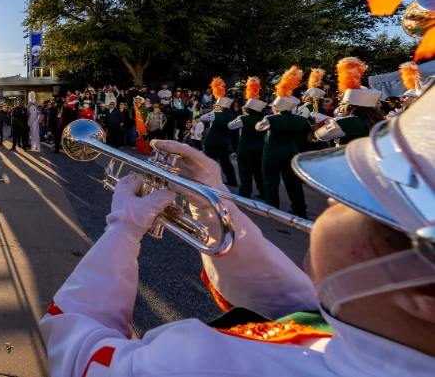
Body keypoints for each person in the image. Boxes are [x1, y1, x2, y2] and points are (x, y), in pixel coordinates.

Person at [40, 83, 435, 375]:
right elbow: (292, 306)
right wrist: (213, 205)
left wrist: (122, 229)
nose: (333, 202)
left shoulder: (207, 364)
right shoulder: (379, 329)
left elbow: (74, 347)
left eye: (357, 201)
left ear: (422, 296)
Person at [257, 67, 310, 218]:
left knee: (270, 180)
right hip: (291, 150)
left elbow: (258, 127)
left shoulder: (271, 119)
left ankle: (272, 207)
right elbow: (308, 131)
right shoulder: (301, 119)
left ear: (278, 107)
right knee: (293, 183)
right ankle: (300, 209)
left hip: (272, 151)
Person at [228, 77, 267, 199]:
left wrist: (241, 116)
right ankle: (263, 191)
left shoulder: (242, 118)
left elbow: (230, 125)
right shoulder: (265, 118)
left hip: (245, 146)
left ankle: (245, 191)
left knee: (245, 170)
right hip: (260, 146)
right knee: (259, 171)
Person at [198, 78, 238, 186]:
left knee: (211, 161)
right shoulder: (230, 115)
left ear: (219, 106)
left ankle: (212, 181)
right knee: (226, 162)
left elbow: (202, 118)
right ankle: (232, 180)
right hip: (224, 140)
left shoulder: (215, 113)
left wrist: (214, 110)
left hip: (212, 140)